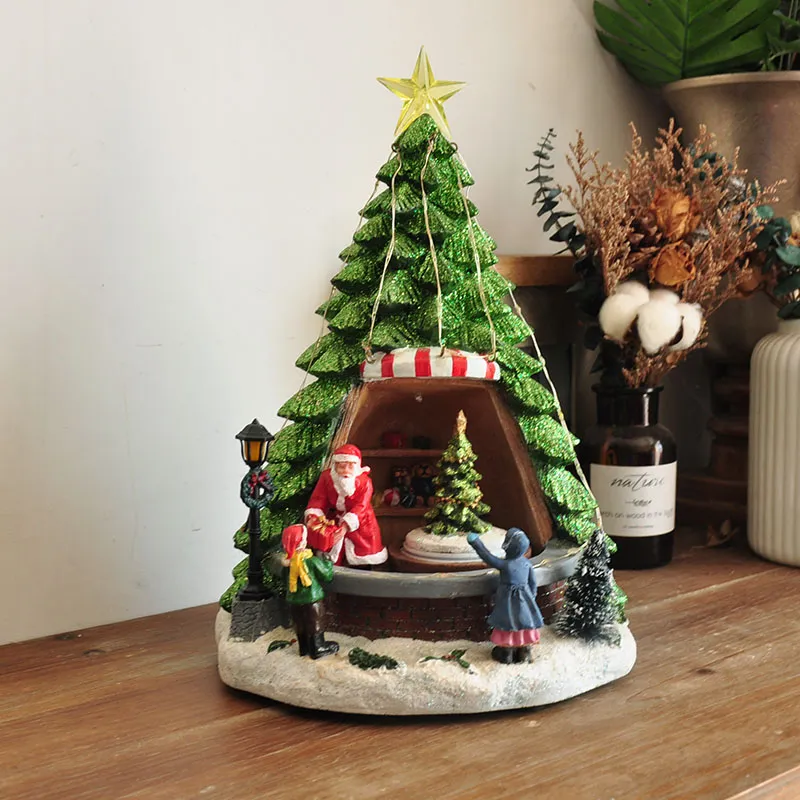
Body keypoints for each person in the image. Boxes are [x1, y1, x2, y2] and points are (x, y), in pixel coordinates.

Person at [466, 527, 544, 664]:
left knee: (507, 623)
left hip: (507, 601)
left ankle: (507, 653)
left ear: (508, 546)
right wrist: (531, 598)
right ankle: (524, 651)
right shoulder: (527, 564)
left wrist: (476, 542)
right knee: (524, 623)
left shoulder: (505, 565)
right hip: (525, 600)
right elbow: (532, 583)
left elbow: (487, 557)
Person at [304, 444, 387, 567]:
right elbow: (318, 499)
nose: (346, 471)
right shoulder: (327, 477)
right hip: (333, 519)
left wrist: (346, 525)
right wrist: (313, 516)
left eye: (350, 466)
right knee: (330, 550)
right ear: (335, 465)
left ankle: (361, 569)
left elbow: (361, 506)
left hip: (360, 522)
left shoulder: (365, 482)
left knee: (363, 555)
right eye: (342, 466)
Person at [281, 524, 339, 659]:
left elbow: (285, 580)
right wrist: (327, 562)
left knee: (300, 623)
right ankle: (317, 647)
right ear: (302, 542)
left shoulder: (287, 564)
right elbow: (327, 575)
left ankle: (304, 648)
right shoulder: (311, 561)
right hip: (312, 599)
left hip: (293, 600)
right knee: (315, 623)